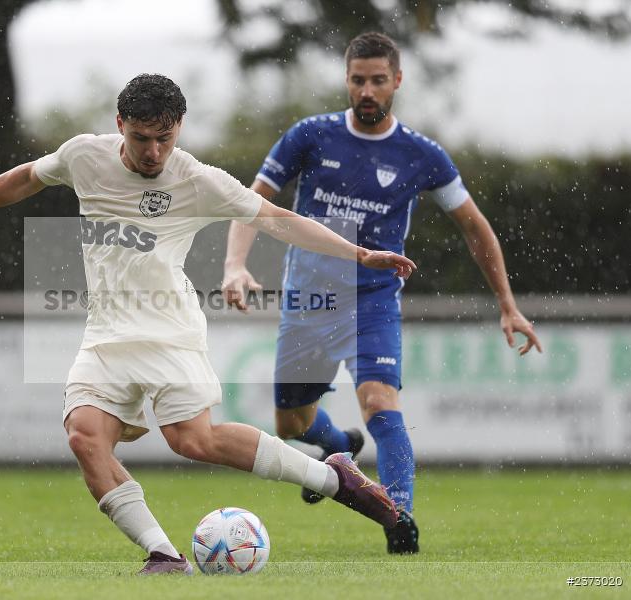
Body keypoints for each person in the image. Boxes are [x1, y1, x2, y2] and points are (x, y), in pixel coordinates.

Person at [0, 74, 417, 574]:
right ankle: (163, 554)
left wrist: (357, 252)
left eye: (165, 138)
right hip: (105, 335)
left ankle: (334, 478)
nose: (154, 152)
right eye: (141, 138)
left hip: (168, 330)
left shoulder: (198, 180)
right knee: (84, 436)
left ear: (180, 127)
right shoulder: (84, 156)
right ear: (120, 125)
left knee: (193, 442)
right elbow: (28, 177)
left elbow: (276, 219)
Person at [221, 33, 542, 554]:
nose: (366, 90)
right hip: (309, 299)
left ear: (397, 81)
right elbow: (253, 202)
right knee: (291, 422)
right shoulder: (310, 135)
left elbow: (475, 227)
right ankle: (337, 446)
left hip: (372, 300)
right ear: (346, 81)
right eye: (357, 80)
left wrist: (507, 303)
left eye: (377, 80)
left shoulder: (422, 155)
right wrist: (235, 264)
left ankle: (398, 516)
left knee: (380, 403)